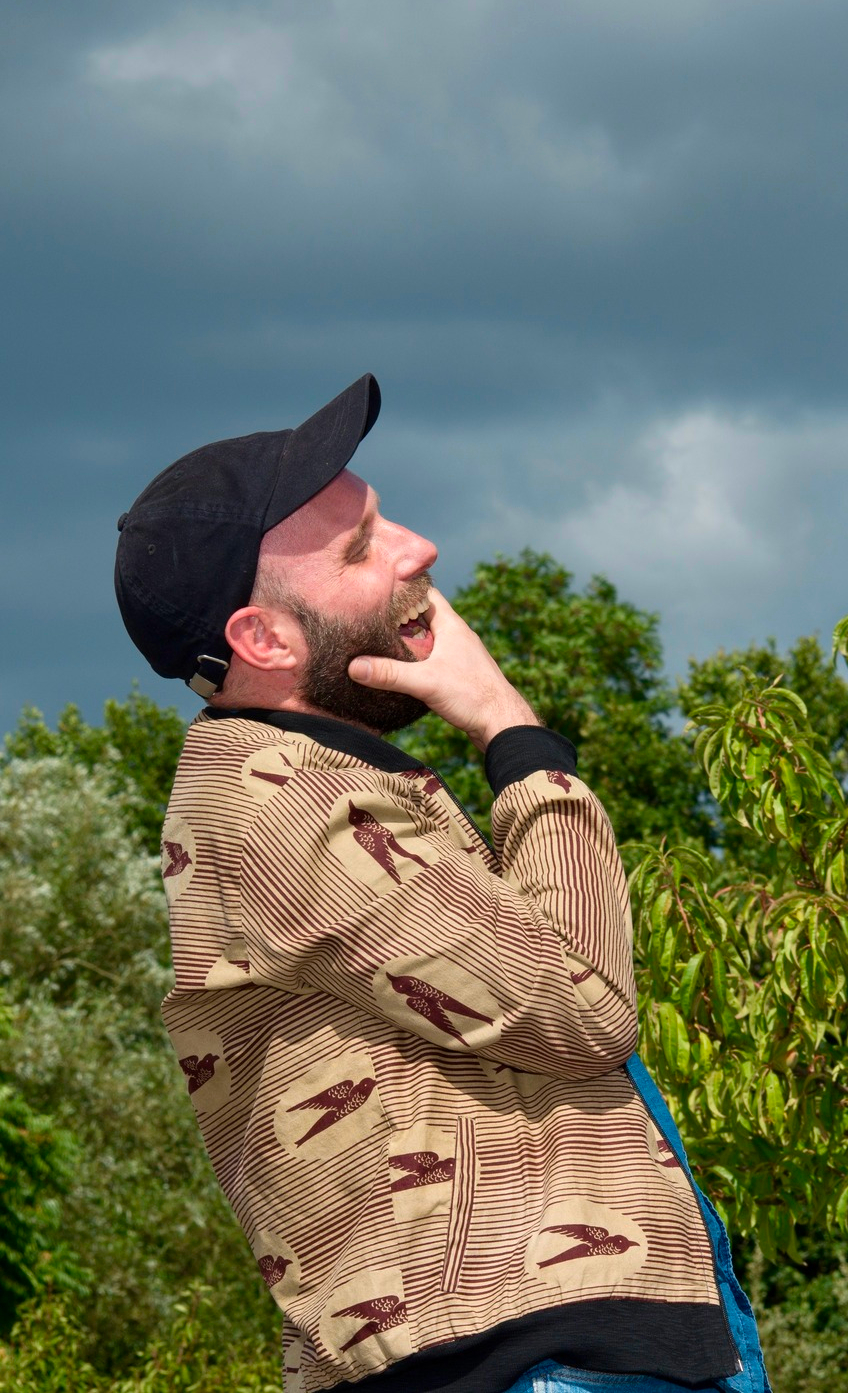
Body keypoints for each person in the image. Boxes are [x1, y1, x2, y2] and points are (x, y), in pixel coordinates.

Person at [114, 375, 770, 1393]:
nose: (419, 548)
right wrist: (513, 732)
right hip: (528, 1363)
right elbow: (583, 1007)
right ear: (264, 639)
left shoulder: (315, 781)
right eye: (361, 547)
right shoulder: (280, 800)